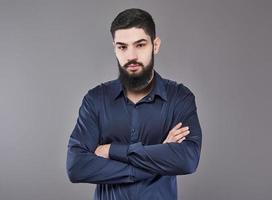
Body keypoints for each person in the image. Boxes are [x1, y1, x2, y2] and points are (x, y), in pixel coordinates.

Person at [66, 8, 202, 200]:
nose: (131, 56)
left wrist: (112, 150)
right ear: (114, 48)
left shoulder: (179, 97)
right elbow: (76, 166)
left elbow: (187, 159)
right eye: (122, 47)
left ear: (155, 45)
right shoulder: (96, 99)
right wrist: (158, 158)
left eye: (140, 45)